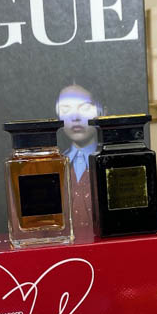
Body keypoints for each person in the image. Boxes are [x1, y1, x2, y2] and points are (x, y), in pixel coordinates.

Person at [55, 84, 102, 233]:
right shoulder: (54, 165)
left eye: (85, 108)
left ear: (102, 111)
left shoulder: (110, 163)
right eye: (66, 109)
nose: (75, 117)